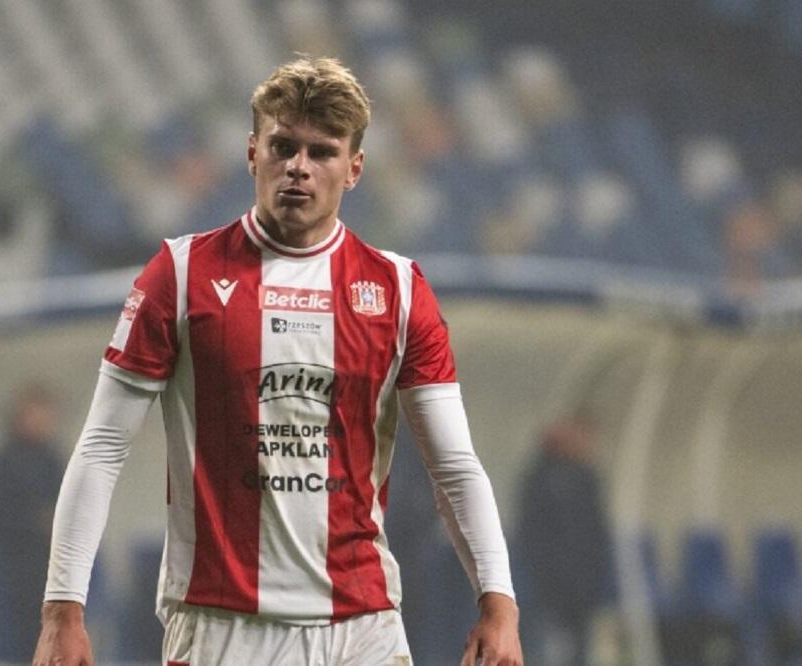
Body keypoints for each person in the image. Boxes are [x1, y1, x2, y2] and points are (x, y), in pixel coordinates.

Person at [33, 56, 522, 666]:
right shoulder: (180, 276)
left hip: (362, 627)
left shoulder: (397, 291)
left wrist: (499, 602)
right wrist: (62, 610)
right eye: (283, 146)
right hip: (222, 627)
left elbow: (453, 466)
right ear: (252, 153)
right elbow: (102, 447)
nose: (298, 166)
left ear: (355, 168)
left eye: (322, 152)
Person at [516, 412, 613, 666]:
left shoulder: (587, 478)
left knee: (579, 645)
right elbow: (531, 531)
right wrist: (541, 571)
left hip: (583, 581)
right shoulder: (541, 478)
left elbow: (596, 531)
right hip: (549, 581)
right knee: (549, 642)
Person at [0, 382, 65, 662]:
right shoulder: (3, 463)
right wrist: (35, 520)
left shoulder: (53, 460)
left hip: (53, 568)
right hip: (16, 569)